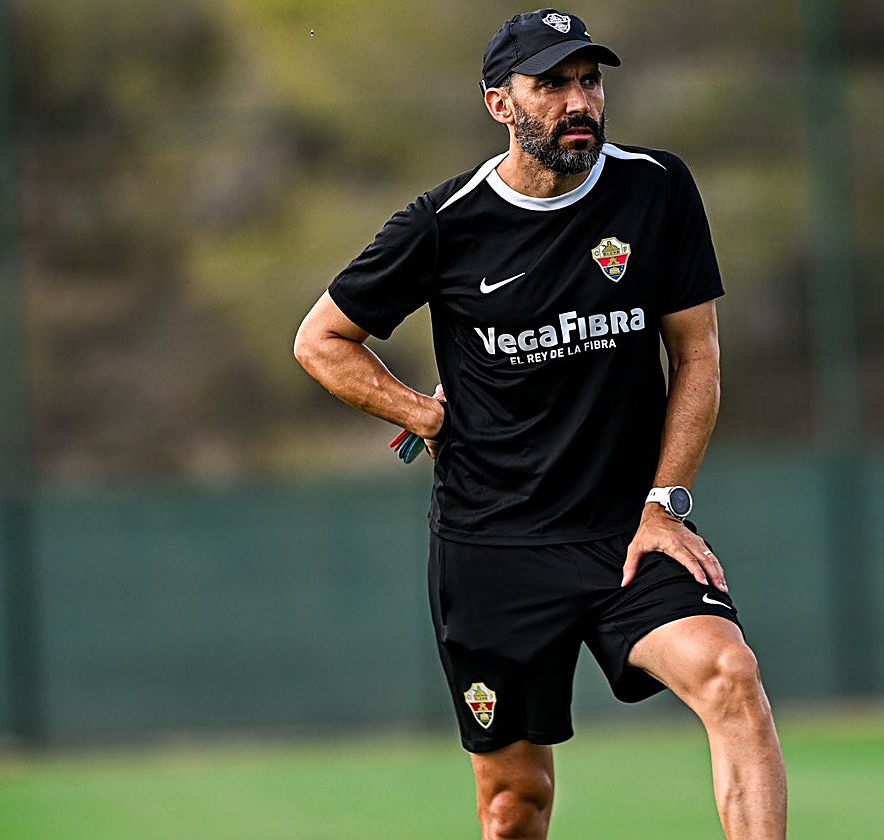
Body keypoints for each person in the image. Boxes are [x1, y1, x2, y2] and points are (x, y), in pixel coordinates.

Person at [294, 9, 787, 839]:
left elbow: (696, 357)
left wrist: (665, 502)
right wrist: (424, 413)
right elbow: (321, 342)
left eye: (589, 81)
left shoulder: (655, 188)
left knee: (731, 676)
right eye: (552, 84)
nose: (579, 101)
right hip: (494, 546)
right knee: (513, 807)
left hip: (628, 532)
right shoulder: (447, 223)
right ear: (500, 104)